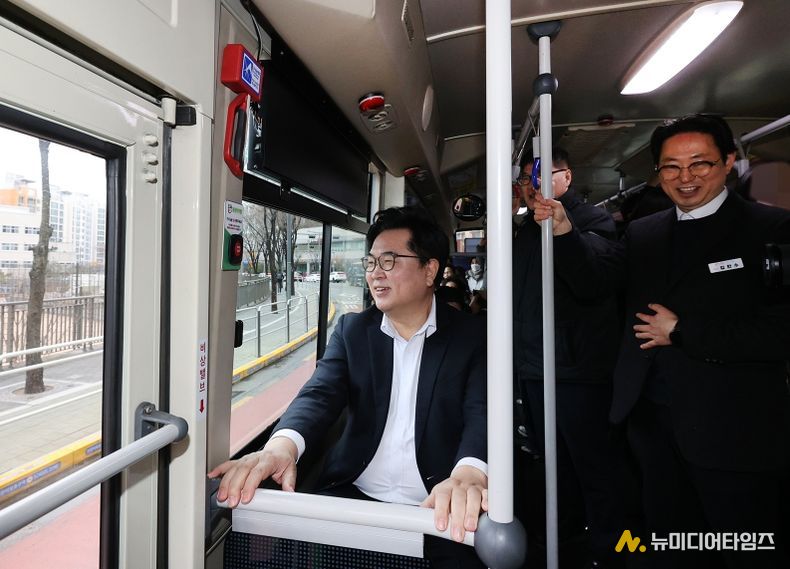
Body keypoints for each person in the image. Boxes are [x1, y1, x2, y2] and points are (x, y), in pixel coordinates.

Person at [533, 115, 790, 569]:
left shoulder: (771, 229)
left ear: (728, 161)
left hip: (734, 429)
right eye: (671, 166)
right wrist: (565, 231)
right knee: (670, 541)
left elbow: (779, 331)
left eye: (699, 163)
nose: (685, 177)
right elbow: (595, 283)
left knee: (741, 545)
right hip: (652, 424)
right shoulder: (644, 231)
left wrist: (683, 330)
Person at [209, 206, 488, 568]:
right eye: (371, 262)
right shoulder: (353, 331)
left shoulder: (472, 337)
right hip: (353, 498)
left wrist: (468, 475)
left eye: (389, 261)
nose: (375, 273)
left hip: (437, 507)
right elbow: (319, 394)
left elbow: (483, 413)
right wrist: (280, 447)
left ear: (429, 270)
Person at [513, 148, 630, 568]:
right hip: (534, 368)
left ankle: (613, 550)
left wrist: (564, 232)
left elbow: (594, 280)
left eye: (543, 176)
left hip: (576, 372)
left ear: (567, 176)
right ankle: (563, 543)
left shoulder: (593, 221)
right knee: (552, 467)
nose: (534, 187)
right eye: (527, 179)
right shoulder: (525, 230)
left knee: (594, 467)